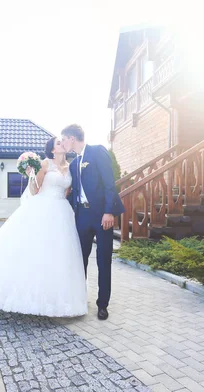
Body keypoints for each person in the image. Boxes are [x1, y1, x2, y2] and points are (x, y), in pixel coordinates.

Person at [0, 137, 87, 317]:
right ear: (52, 150)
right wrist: (31, 175)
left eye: (62, 142)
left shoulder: (71, 167)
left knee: (59, 254)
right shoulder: (45, 164)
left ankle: (56, 298)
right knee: (34, 252)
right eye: (58, 143)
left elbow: (68, 192)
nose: (62, 145)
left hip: (62, 212)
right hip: (42, 208)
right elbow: (35, 190)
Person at [61, 124, 125, 320]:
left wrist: (109, 212)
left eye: (64, 139)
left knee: (103, 260)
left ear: (72, 138)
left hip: (101, 216)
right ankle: (80, 300)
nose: (63, 143)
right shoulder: (73, 164)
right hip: (82, 217)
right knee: (79, 261)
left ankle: (102, 305)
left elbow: (109, 184)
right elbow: (74, 192)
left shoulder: (97, 152)